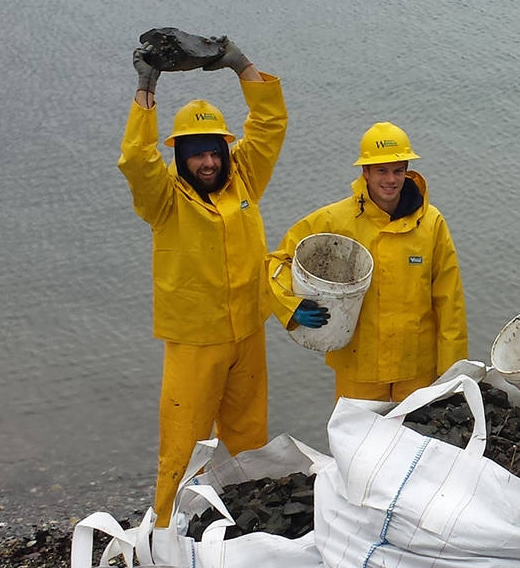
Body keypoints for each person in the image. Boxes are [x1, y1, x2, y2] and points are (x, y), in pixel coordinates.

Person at [118, 31, 286, 526]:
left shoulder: (246, 179)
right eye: (195, 152)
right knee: (183, 447)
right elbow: (135, 160)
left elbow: (270, 124)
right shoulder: (163, 200)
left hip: (248, 334)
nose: (208, 161)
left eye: (214, 150)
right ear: (180, 155)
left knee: (249, 440)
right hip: (194, 344)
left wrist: (240, 64)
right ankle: (168, 531)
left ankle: (247, 521)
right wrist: (146, 88)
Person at [266, 123, 468, 401]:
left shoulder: (431, 223)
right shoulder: (336, 219)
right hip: (358, 366)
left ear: (407, 170)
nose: (391, 180)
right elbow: (279, 261)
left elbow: (450, 303)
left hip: (417, 368)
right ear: (366, 172)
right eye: (381, 171)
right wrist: (291, 305)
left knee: (415, 441)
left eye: (398, 171)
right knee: (355, 445)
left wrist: (452, 374)